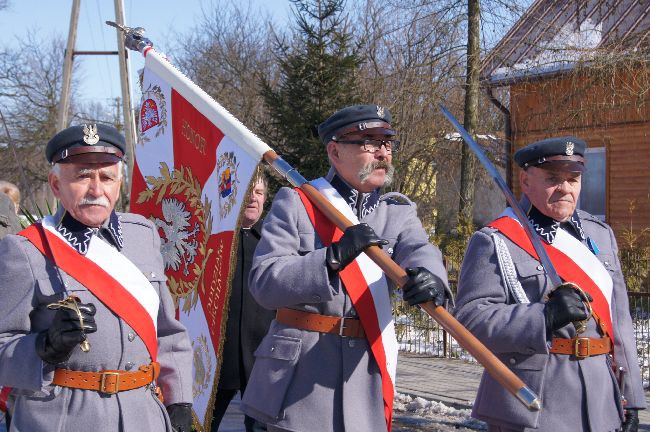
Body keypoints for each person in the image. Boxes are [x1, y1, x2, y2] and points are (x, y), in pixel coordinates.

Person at [240, 104, 450, 432]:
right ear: (335, 151)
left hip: (363, 374)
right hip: (297, 380)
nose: (382, 152)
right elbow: (265, 282)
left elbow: (421, 251)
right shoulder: (297, 203)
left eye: (387, 142)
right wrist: (331, 258)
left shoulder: (397, 212)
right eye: (368, 141)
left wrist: (430, 278)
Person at [0, 124, 194, 432]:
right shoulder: (24, 251)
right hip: (63, 417)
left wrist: (179, 400)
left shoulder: (142, 235)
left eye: (106, 177)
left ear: (119, 183)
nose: (96, 189)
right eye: (81, 176)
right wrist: (43, 347)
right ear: (55, 183)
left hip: (144, 415)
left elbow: (168, 332)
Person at [454, 136, 646, 432]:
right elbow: (470, 319)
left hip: (601, 399)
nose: (566, 188)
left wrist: (631, 398)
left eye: (573, 178)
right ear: (525, 180)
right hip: (537, 400)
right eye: (553, 178)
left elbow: (619, 321)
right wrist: (542, 317)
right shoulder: (497, 239)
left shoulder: (601, 235)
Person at [211, 171, 274, 432]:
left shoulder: (274, 242)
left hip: (262, 360)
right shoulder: (214, 238)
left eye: (259, 192)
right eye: (247, 190)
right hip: (215, 361)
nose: (253, 197)